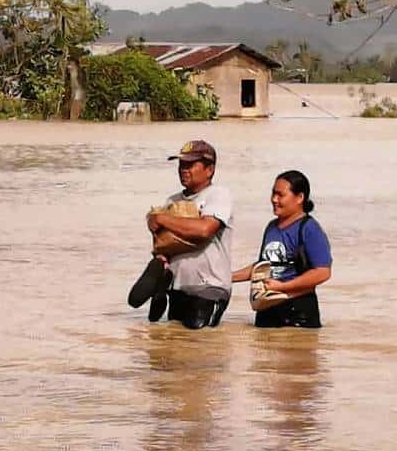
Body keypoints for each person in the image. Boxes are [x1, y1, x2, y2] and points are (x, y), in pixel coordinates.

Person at [128, 140, 234, 329]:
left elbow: (204, 229)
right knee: (176, 347)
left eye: (190, 164)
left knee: (200, 343)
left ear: (209, 169)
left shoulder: (218, 195)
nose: (183, 170)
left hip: (209, 289)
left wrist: (161, 219)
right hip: (178, 288)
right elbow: (164, 243)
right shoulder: (172, 200)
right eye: (181, 165)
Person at [232, 170, 332, 328]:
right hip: (266, 308)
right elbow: (263, 266)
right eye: (273, 194)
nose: (274, 199)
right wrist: (227, 277)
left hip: (297, 310)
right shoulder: (271, 227)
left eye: (280, 195)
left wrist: (282, 287)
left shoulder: (309, 228)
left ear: (299, 198)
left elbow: (323, 272)